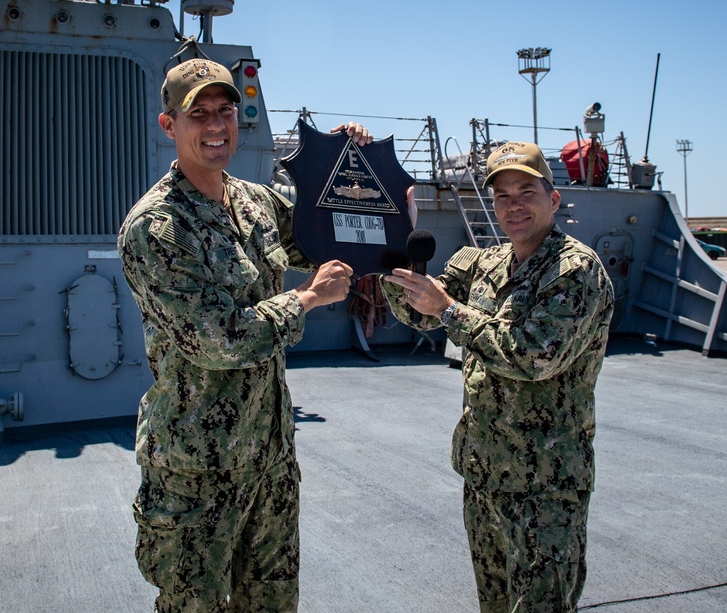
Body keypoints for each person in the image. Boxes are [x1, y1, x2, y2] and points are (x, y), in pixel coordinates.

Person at [117, 57, 371, 612]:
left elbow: (322, 234)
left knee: (273, 602)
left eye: (225, 111)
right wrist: (307, 298)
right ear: (169, 126)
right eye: (198, 113)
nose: (215, 125)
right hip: (196, 469)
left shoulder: (256, 202)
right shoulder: (155, 227)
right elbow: (219, 341)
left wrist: (346, 162)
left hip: (269, 457)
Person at [382, 141, 615, 612]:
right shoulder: (484, 263)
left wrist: (448, 310)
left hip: (545, 485)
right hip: (486, 472)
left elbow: (534, 356)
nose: (514, 205)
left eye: (525, 191)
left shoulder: (576, 270)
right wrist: (389, 262)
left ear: (552, 199)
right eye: (503, 196)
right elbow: (422, 316)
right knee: (494, 603)